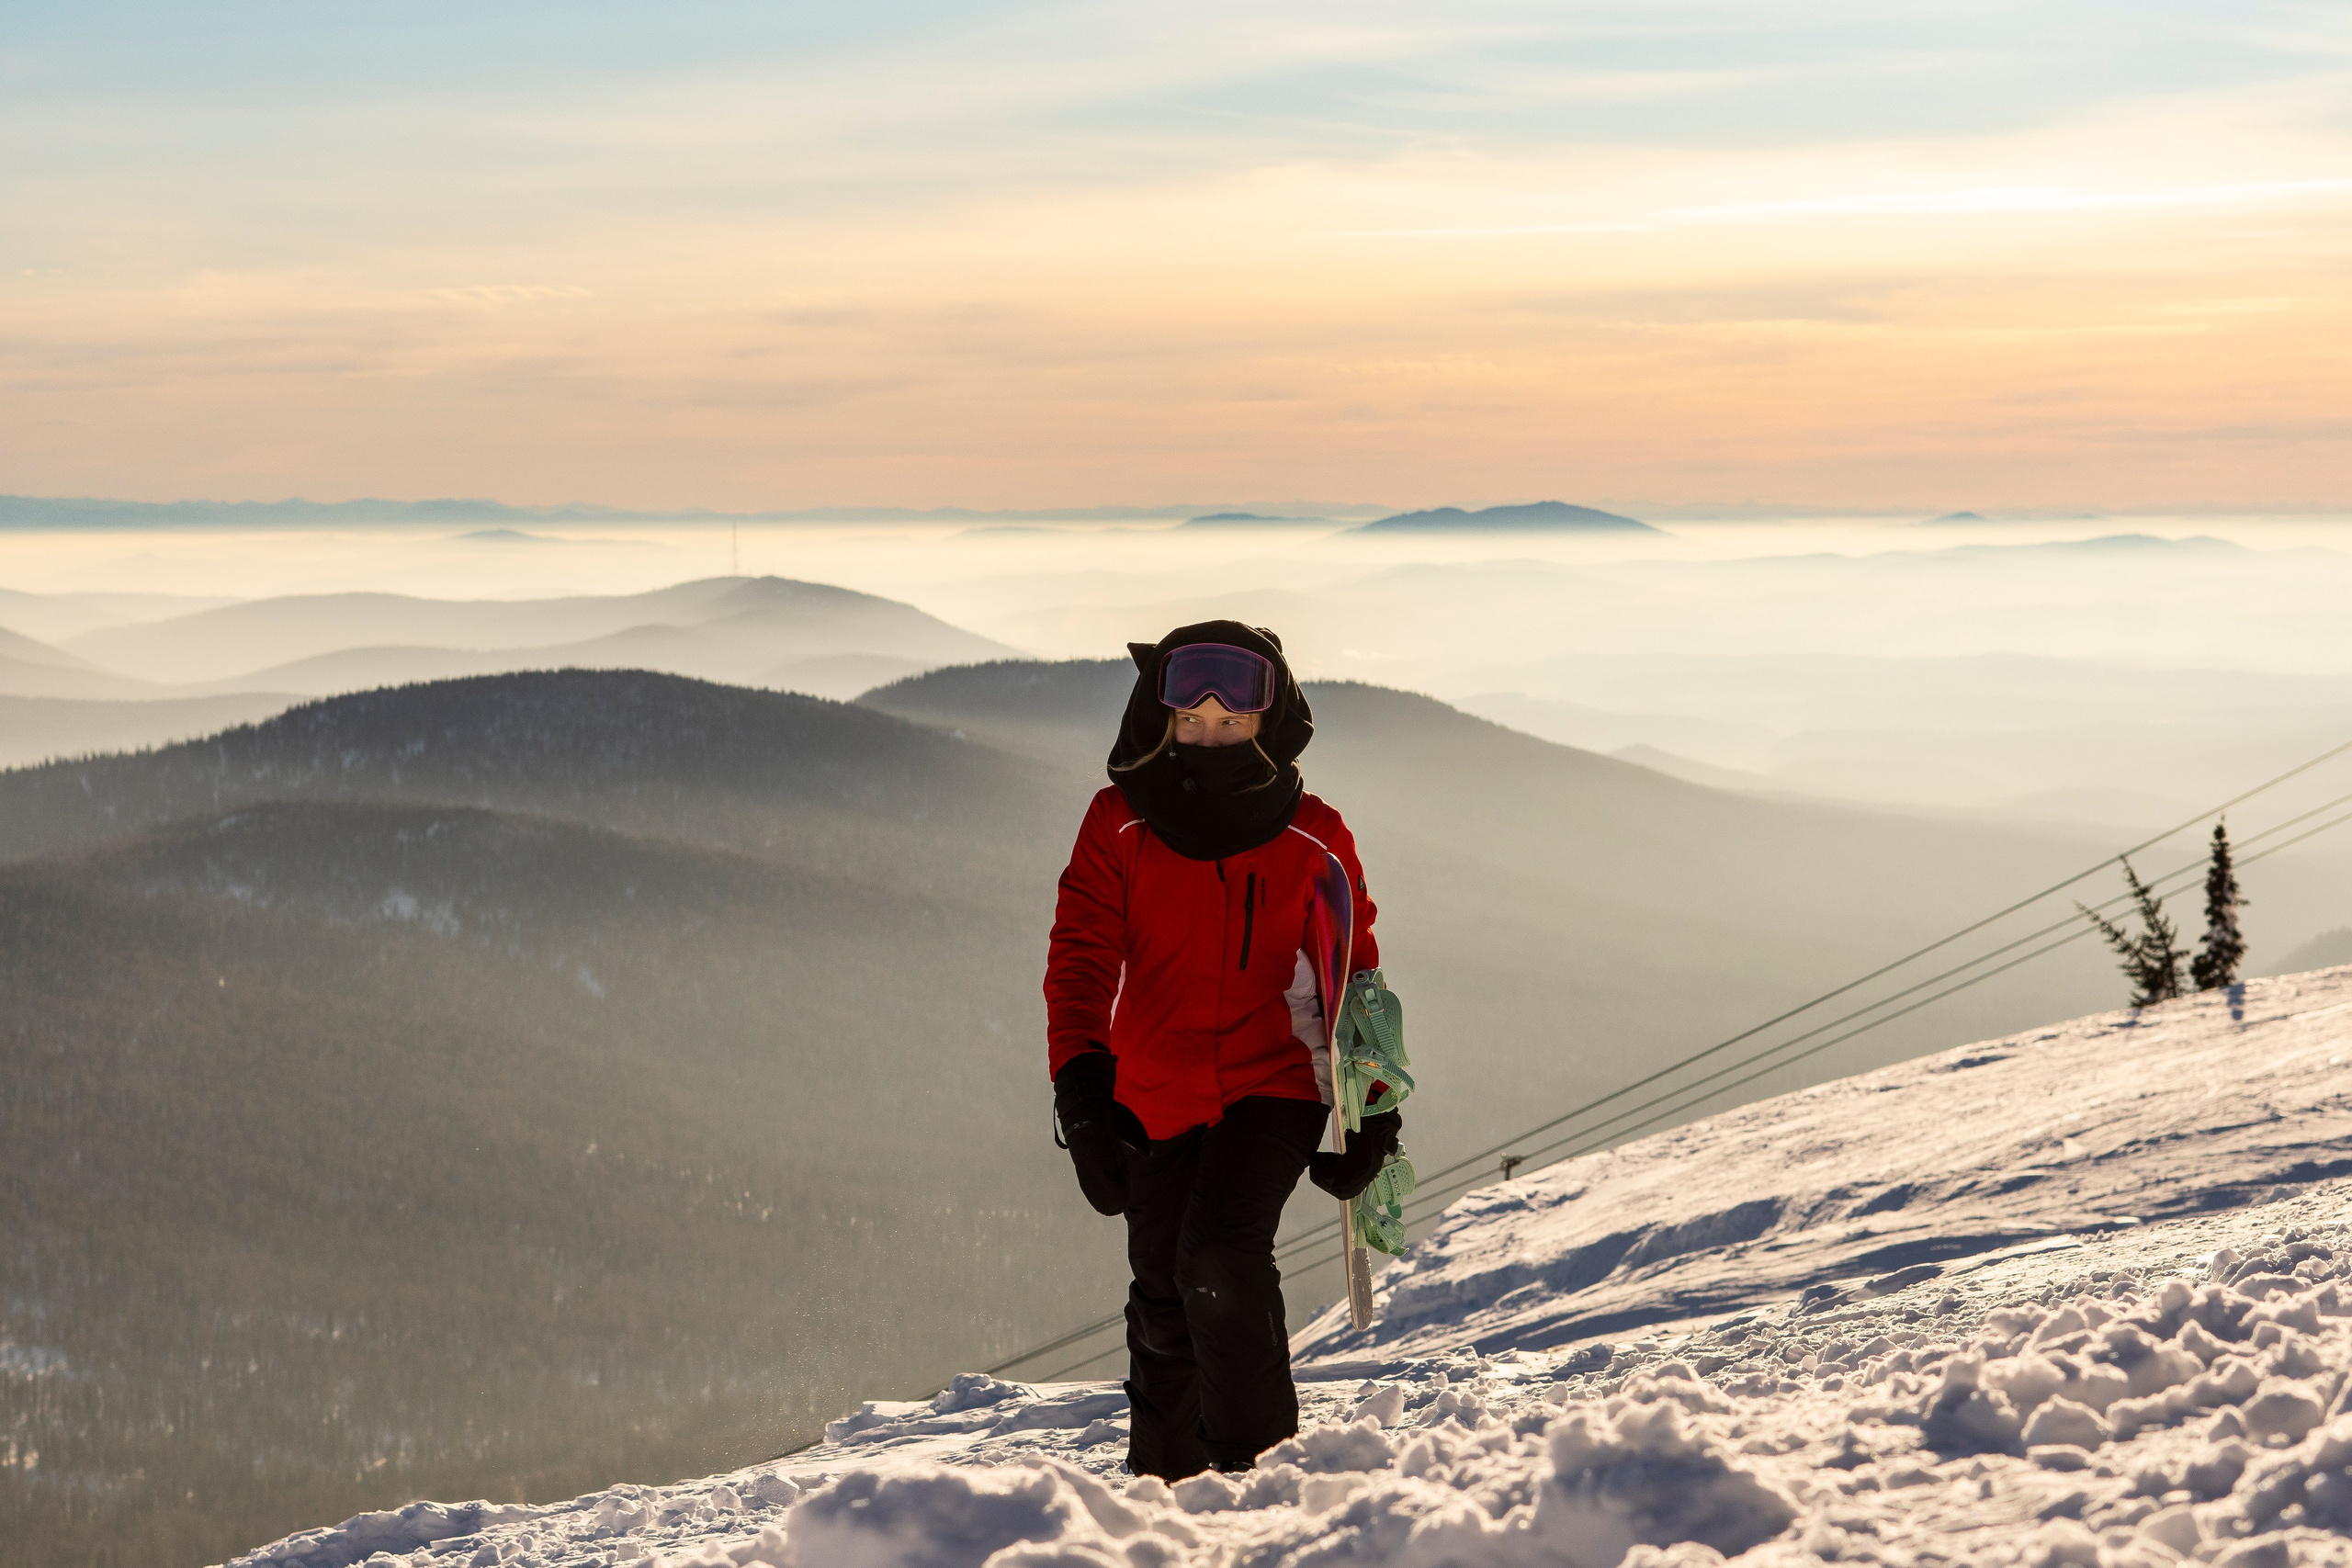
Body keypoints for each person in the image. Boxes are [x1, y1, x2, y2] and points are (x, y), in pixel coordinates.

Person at [1044, 621, 1400, 1480]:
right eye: (1191, 721)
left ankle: (1258, 1484)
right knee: (1165, 1292)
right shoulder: (1119, 822)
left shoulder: (1312, 835)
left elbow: (1356, 976)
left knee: (1219, 1259)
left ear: (1267, 723)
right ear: (1159, 719)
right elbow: (1082, 956)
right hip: (1151, 1086)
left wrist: (1376, 1111)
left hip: (1274, 1078)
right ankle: (1164, 1499)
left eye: (1230, 723)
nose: (1208, 736)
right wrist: (1084, 1092)